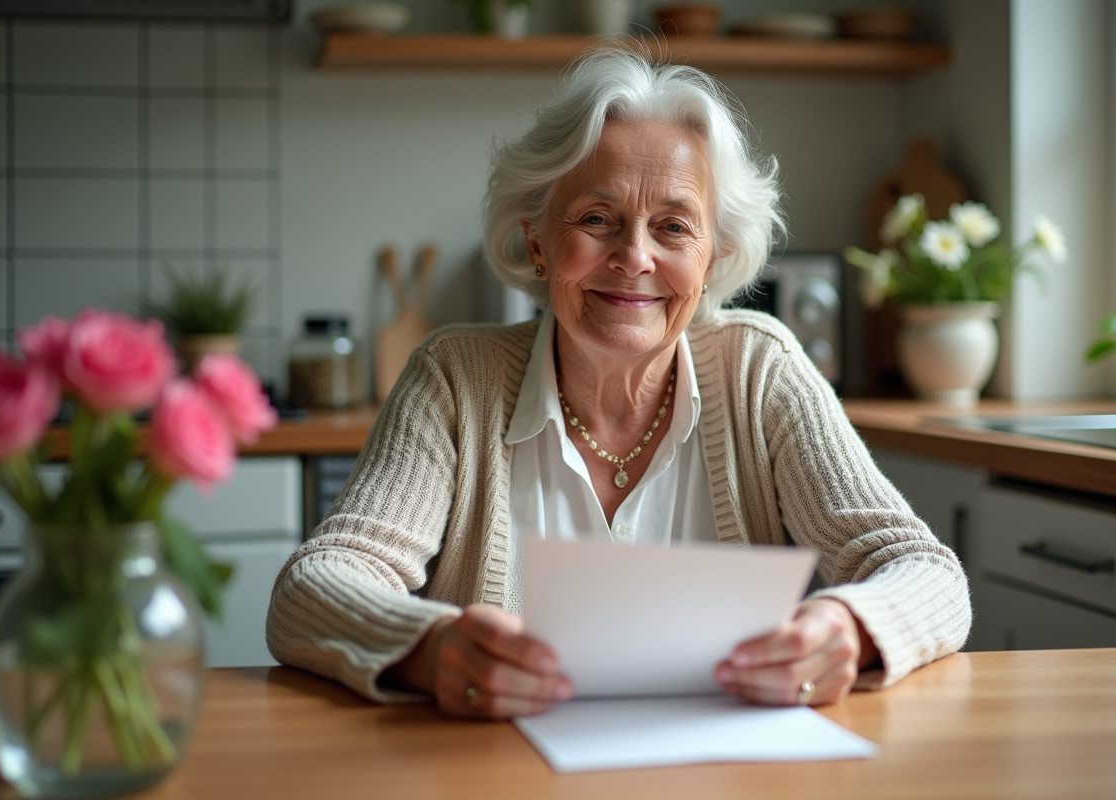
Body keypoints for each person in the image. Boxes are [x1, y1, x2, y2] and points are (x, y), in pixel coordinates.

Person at [266, 48, 971, 720]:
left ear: (713, 257)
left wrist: (848, 624)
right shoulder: (455, 379)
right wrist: (428, 649)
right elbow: (313, 587)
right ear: (538, 240)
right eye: (597, 220)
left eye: (672, 227)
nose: (635, 258)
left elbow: (924, 570)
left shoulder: (763, 370)